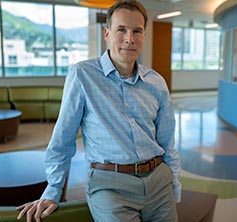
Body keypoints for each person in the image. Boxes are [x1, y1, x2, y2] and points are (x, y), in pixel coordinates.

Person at [16, 0, 181, 221]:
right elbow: (63, 138)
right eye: (121, 29)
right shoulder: (83, 75)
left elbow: (167, 142)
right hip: (110, 186)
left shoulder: (156, 82)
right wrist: (53, 190)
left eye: (137, 31)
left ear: (144, 36)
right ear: (106, 33)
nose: (129, 39)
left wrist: (174, 184)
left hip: (159, 182)